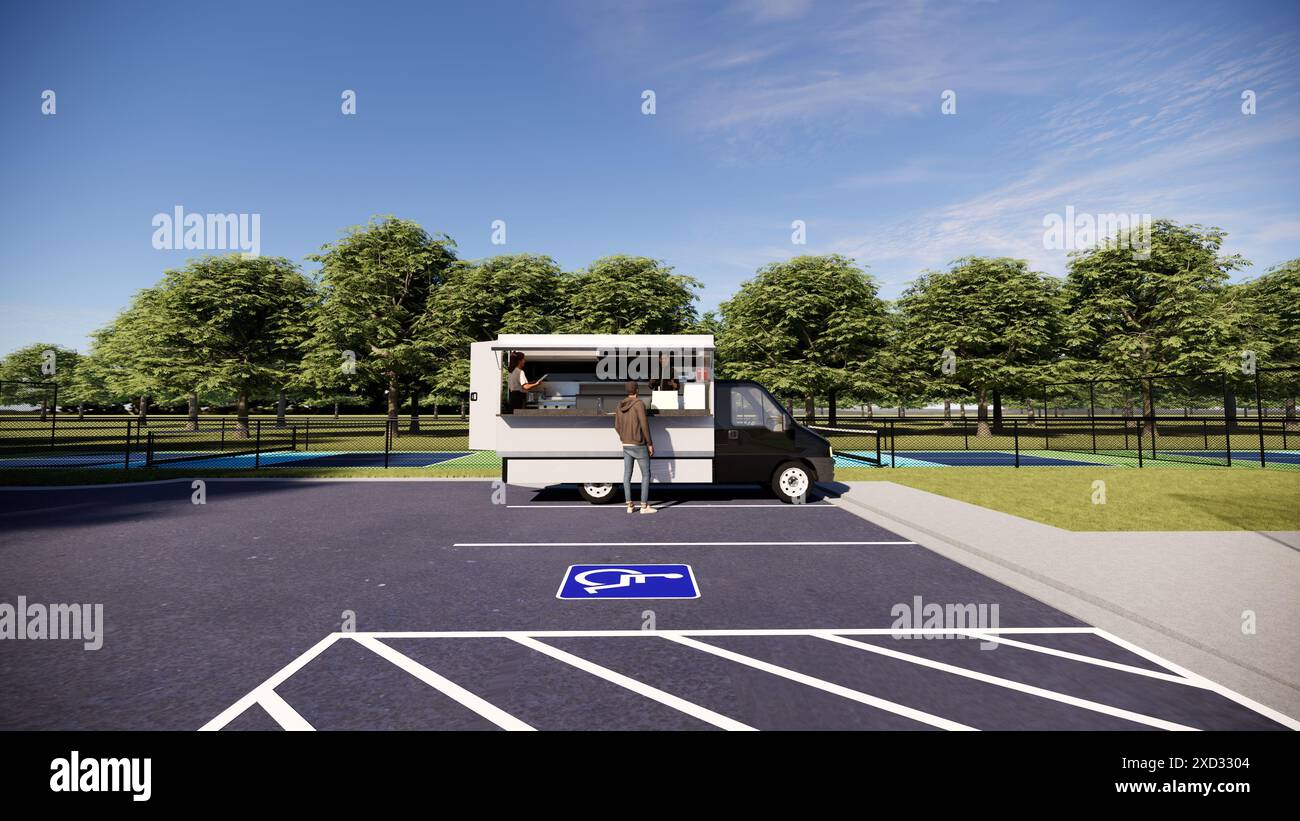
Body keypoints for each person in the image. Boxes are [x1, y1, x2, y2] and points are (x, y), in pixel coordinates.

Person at [614, 380, 656, 514]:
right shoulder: (639, 404)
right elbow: (644, 425)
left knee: (627, 474)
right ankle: (644, 506)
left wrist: (624, 437)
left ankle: (629, 505)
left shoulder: (620, 405)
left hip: (626, 444)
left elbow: (616, 426)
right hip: (639, 444)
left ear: (627, 391)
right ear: (637, 390)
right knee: (645, 474)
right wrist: (649, 443)